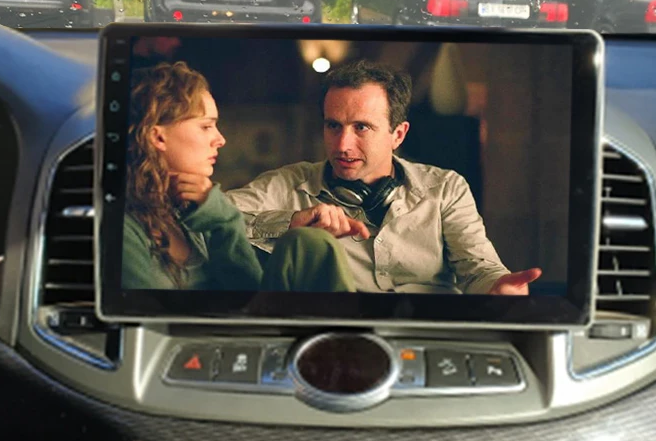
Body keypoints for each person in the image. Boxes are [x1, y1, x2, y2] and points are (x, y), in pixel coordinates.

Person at [227, 59, 542, 295]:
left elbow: (478, 268)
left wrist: (499, 286)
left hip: (427, 331)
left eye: (361, 127)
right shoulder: (288, 184)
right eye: (333, 126)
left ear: (398, 134)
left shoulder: (445, 188)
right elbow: (215, 219)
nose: (342, 144)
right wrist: (290, 222)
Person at [123, 61, 353, 292]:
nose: (220, 140)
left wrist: (220, 218)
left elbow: (247, 296)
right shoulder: (124, 227)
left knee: (310, 243)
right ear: (158, 137)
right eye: (206, 127)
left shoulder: (192, 210)